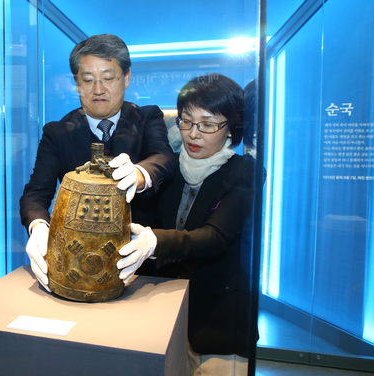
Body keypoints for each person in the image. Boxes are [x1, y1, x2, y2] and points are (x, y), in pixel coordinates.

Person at [117, 74, 254, 375]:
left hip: (218, 321)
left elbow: (215, 235)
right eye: (186, 121)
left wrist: (154, 242)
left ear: (232, 126)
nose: (194, 134)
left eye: (207, 124)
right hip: (163, 317)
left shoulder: (244, 172)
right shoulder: (168, 168)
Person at [20, 34, 176, 291]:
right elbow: (35, 194)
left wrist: (139, 174)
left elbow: (163, 157)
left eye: (108, 78)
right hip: (78, 266)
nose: (99, 89)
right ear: (77, 84)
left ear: (125, 78)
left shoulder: (147, 117)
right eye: (88, 80)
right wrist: (38, 227)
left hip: (141, 265)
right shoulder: (58, 132)